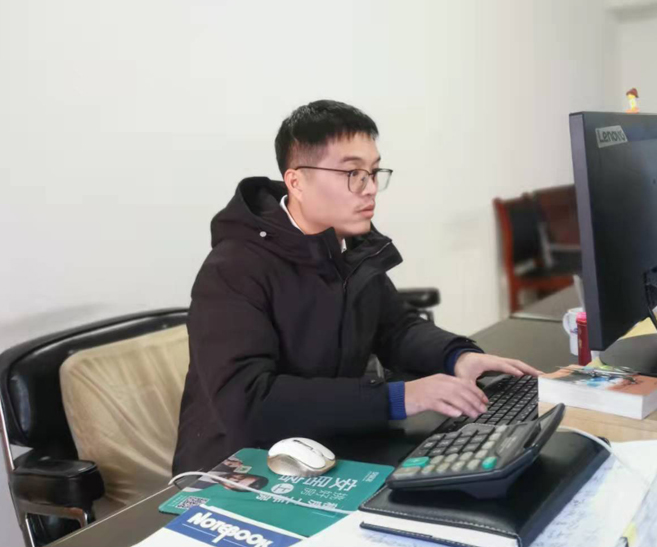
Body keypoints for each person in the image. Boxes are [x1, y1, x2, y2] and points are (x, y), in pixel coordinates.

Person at [173, 100, 540, 473]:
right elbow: (247, 402)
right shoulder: (233, 269)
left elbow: (396, 327)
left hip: (328, 445)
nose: (370, 189)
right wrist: (398, 398)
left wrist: (457, 357)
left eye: (374, 172)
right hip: (239, 467)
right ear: (296, 182)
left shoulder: (350, 249)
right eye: (352, 173)